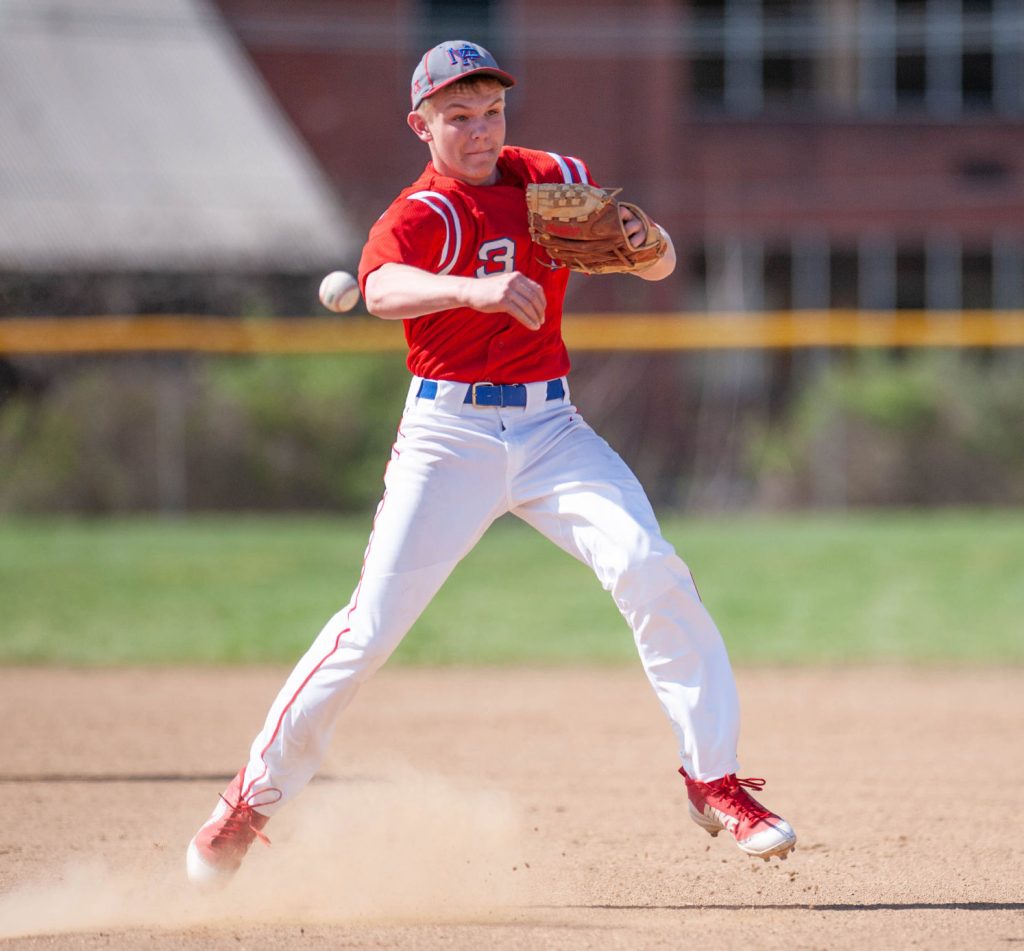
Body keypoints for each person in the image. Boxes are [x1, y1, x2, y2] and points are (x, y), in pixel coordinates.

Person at [186, 39, 796, 885]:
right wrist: (472, 290)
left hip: (551, 428)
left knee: (649, 564)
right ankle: (250, 800)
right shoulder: (422, 212)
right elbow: (379, 288)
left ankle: (714, 778)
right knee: (368, 629)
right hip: (448, 437)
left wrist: (645, 237)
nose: (480, 130)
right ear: (422, 124)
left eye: (492, 111)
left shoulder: (551, 178)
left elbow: (657, 266)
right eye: (459, 115)